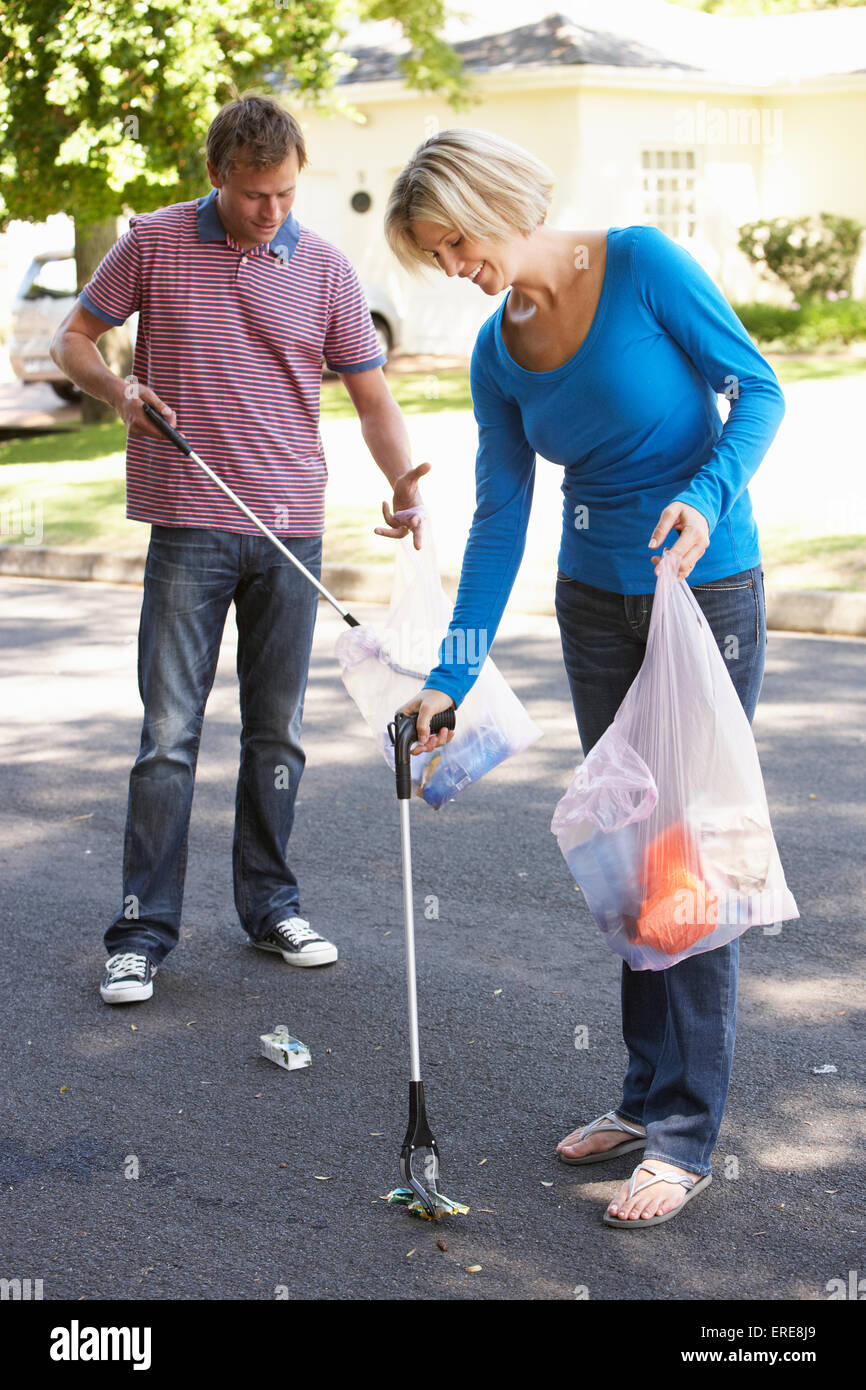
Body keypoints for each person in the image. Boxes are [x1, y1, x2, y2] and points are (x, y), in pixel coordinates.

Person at [384, 128, 785, 1228]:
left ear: (494, 199)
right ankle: (640, 1095)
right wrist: (450, 676)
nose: (453, 265)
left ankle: (684, 1137)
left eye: (454, 240)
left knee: (687, 850)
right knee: (630, 844)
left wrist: (702, 499)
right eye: (435, 255)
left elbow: (755, 390)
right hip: (592, 606)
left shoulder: (642, 264)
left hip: (703, 593)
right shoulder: (495, 352)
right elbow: (503, 517)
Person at [51, 94, 427, 1005]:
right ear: (218, 176)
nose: (273, 211)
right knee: (169, 739)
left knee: (277, 734)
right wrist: (119, 391)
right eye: (257, 194)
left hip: (290, 527)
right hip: (188, 521)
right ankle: (141, 932)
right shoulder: (152, 242)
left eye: (288, 193)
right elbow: (73, 340)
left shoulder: (329, 271)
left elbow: (372, 400)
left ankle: (271, 907)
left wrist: (404, 481)